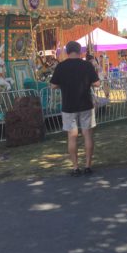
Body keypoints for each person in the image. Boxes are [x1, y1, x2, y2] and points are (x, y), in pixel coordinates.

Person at [50, 41, 101, 176]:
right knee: (87, 135)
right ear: (80, 52)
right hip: (85, 104)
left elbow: (53, 85)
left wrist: (64, 85)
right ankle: (88, 166)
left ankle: (75, 167)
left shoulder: (61, 67)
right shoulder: (87, 65)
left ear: (67, 52)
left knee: (72, 137)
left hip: (68, 106)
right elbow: (97, 83)